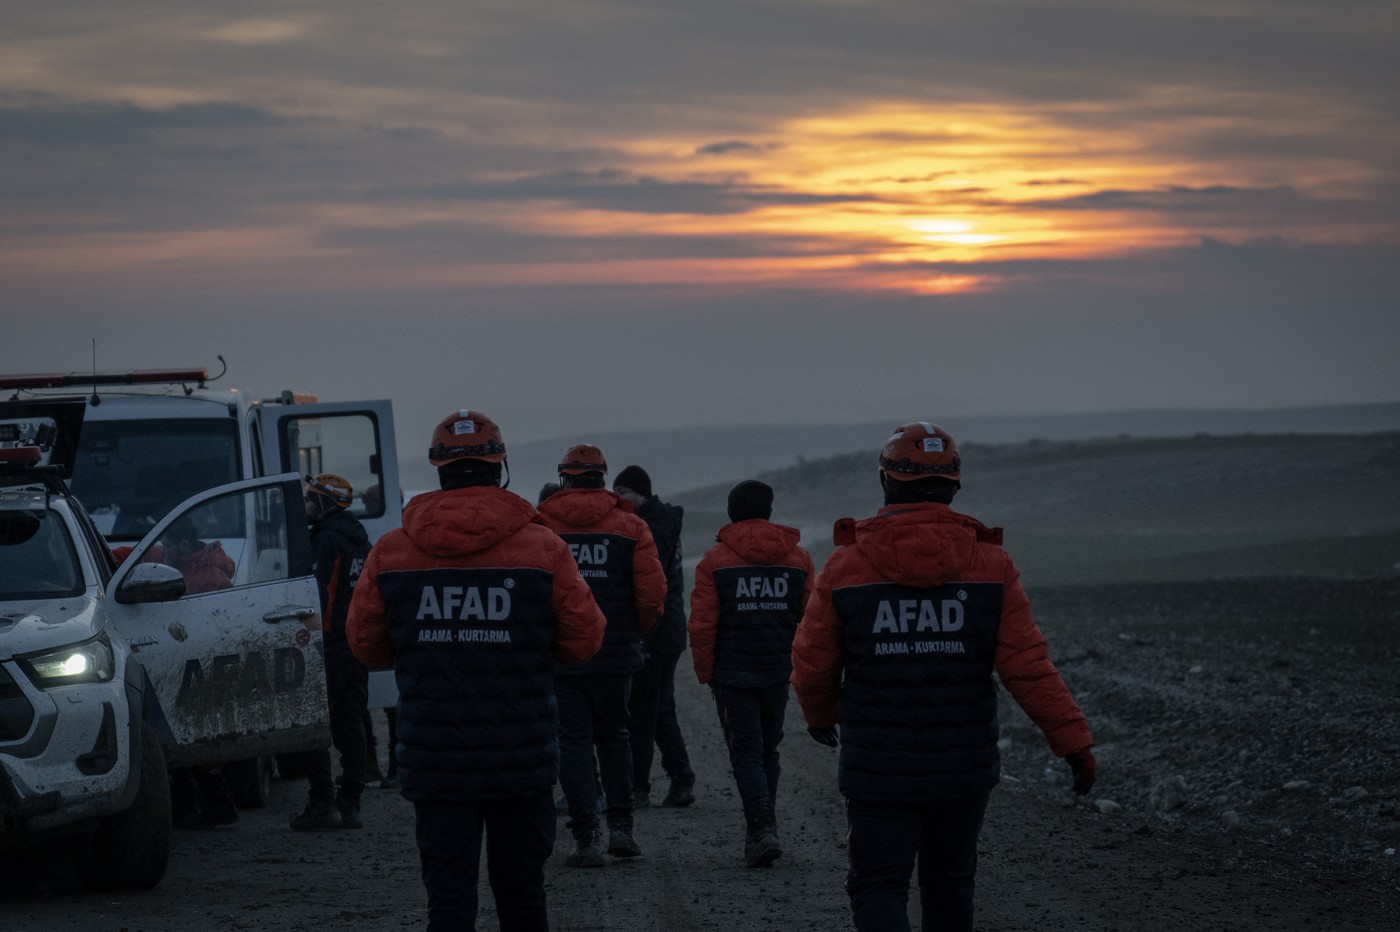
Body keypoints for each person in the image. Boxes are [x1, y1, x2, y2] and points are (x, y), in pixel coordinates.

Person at [791, 421, 1096, 932]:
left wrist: (820, 715)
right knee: (949, 881)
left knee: (879, 884)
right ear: (955, 485)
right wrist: (1072, 740)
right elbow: (1028, 664)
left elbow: (813, 662)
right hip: (963, 762)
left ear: (886, 482)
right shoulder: (993, 564)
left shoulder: (845, 566)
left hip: (878, 762)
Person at [347, 409, 606, 932]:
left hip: (436, 757)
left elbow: (366, 647)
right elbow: (584, 641)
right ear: (500, 468)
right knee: (523, 897)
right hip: (521, 755)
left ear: (440, 470)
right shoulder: (544, 548)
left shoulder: (392, 551)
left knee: (448, 901)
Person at [537, 444, 666, 867]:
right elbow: (652, 596)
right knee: (615, 736)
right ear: (603, 478)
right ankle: (621, 828)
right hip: (615, 654)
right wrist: (632, 634)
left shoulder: (543, 526)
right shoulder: (631, 526)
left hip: (562, 655)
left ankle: (586, 836)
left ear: (564, 478)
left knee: (572, 741)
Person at [689, 479, 813, 867]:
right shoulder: (800, 560)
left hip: (733, 672)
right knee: (768, 749)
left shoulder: (714, 560)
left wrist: (707, 672)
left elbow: (703, 624)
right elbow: (812, 622)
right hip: (779, 669)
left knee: (746, 752)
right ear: (770, 511)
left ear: (731, 512)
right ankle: (764, 827)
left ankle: (761, 827)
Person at [290, 473, 373, 831]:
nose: (305, 505)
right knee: (350, 726)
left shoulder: (325, 541)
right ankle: (351, 803)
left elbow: (318, 595)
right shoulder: (360, 541)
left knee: (313, 726)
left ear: (324, 503)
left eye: (310, 499)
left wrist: (304, 638)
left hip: (327, 647)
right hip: (355, 646)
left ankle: (322, 803)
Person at [612, 464, 696, 809]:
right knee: (659, 709)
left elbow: (651, 579)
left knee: (645, 711)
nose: (618, 502)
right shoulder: (659, 520)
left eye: (624, 494)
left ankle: (642, 785)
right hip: (663, 630)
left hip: (660, 632)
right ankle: (680, 780)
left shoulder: (657, 526)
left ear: (641, 494)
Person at [161, 517, 241, 829]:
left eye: (168, 544)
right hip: (188, 664)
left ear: (182, 545)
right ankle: (199, 806)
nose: (162, 550)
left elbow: (217, 628)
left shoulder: (208, 579)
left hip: (202, 667)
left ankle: (213, 807)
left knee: (192, 739)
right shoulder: (188, 567)